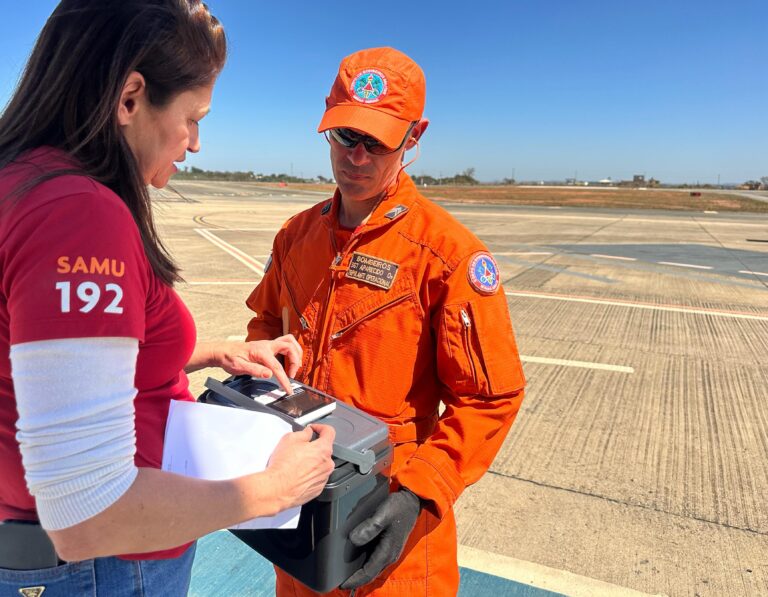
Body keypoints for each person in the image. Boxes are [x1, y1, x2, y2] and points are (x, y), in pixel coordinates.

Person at [0, 1, 335, 594]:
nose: (197, 142)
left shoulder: (22, 180)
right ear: (130, 98)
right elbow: (88, 513)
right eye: (193, 116)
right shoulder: (78, 216)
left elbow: (43, 364)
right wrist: (275, 490)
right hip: (99, 567)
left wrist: (209, 352)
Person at [245, 47, 526, 596]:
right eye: (346, 136)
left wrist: (419, 494)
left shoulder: (447, 256)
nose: (357, 157)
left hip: (388, 524)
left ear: (414, 138)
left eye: (377, 141)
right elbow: (263, 320)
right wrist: (270, 361)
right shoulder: (295, 237)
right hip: (301, 502)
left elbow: (491, 398)